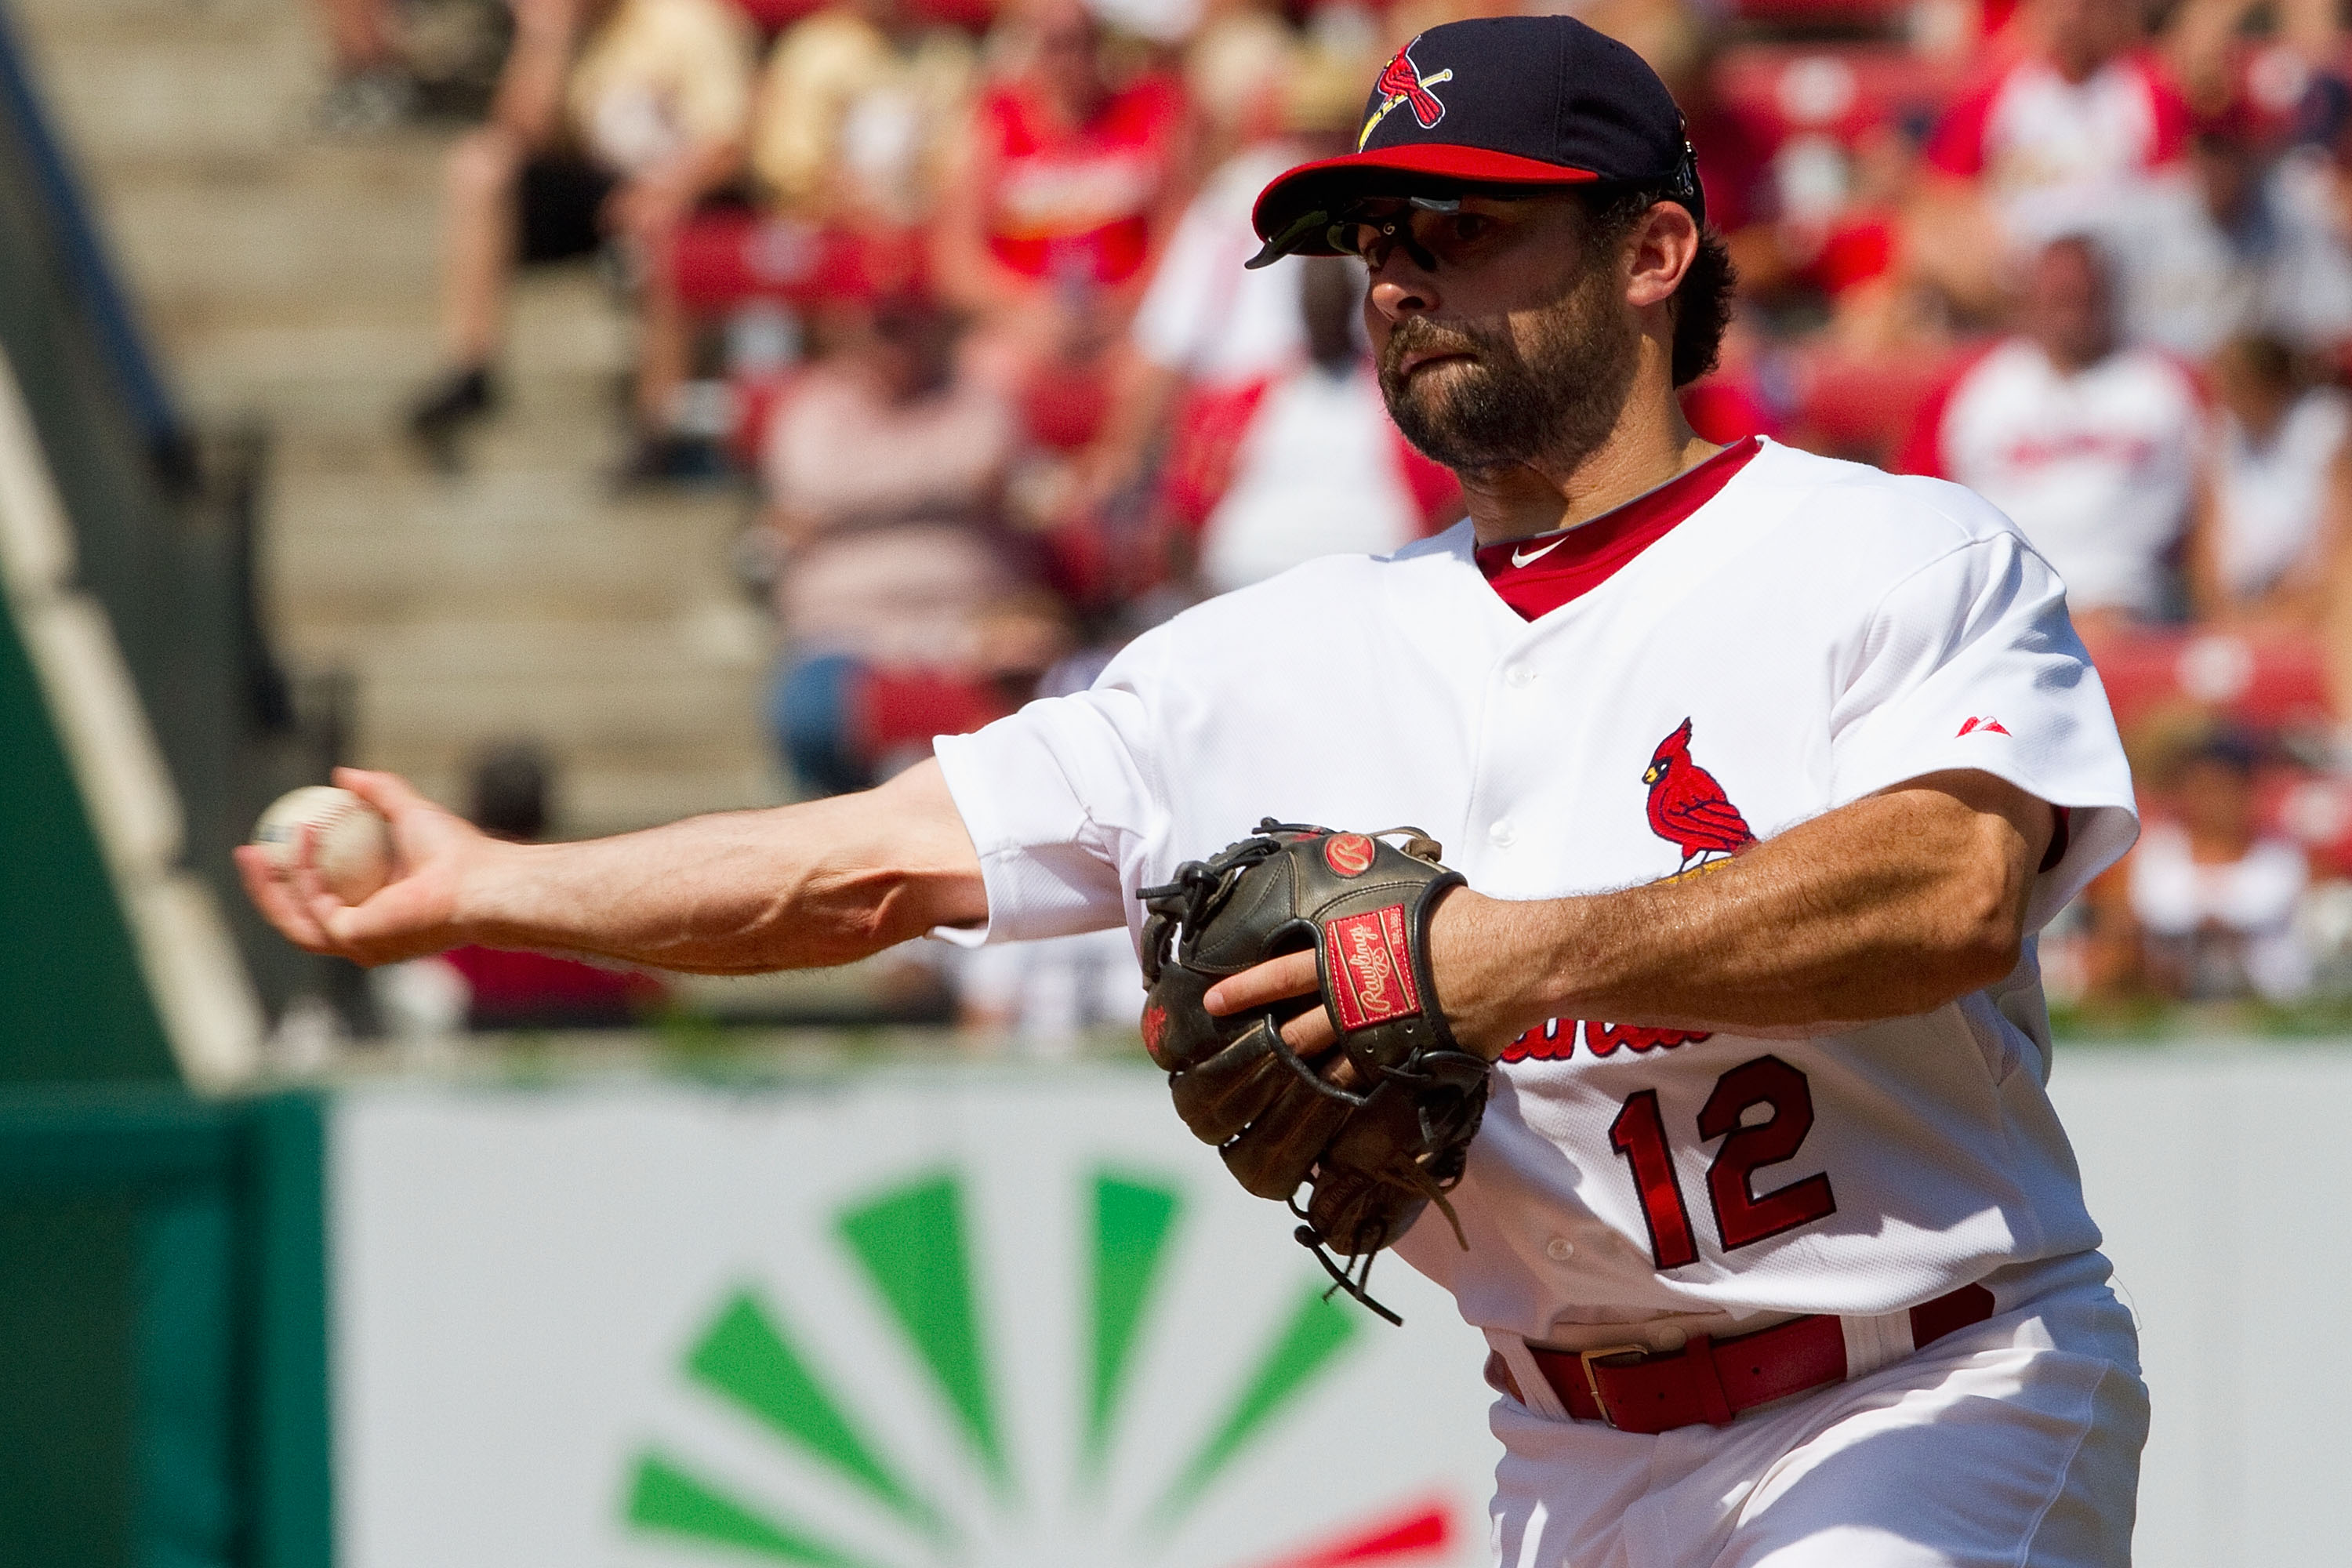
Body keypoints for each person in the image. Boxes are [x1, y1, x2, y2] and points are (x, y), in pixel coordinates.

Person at [244, 17, 2147, 1565]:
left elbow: (1948, 888)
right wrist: (486, 884)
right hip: (1562, 1449)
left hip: (1928, 1393)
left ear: (1653, 253)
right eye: (1377, 240)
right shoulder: (1265, 662)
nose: (1402, 277)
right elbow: (861, 868)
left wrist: (1491, 960)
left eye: (1466, 226)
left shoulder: (1883, 555)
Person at [1900, 234, 2201, 646]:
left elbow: (2215, 510)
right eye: (2059, 297)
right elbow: (1920, 511)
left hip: (2140, 610)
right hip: (2002, 609)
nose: (2072, 313)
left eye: (2084, 297)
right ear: (2028, 299)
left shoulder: (2166, 384)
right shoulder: (1974, 389)